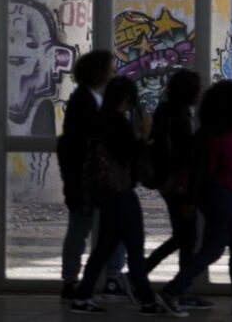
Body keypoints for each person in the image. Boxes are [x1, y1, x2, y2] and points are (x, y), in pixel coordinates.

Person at [158, 81, 232, 316]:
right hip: (223, 197)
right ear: (229, 104)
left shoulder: (211, 130)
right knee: (213, 250)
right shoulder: (226, 133)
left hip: (223, 196)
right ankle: (172, 291)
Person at [71, 77, 177, 316]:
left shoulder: (99, 120)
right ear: (127, 99)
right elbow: (132, 153)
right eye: (132, 100)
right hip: (121, 194)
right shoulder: (118, 122)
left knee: (104, 248)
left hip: (106, 194)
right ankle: (148, 301)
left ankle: (82, 296)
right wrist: (144, 134)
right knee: (135, 249)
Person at [56, 51, 129, 303]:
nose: (114, 73)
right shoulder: (87, 102)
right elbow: (88, 142)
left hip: (85, 181)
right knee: (96, 228)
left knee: (82, 230)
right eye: (111, 68)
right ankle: (108, 277)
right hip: (89, 181)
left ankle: (74, 280)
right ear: (99, 72)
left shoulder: (87, 99)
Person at [143, 70, 214, 311]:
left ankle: (158, 280)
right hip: (180, 184)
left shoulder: (165, 110)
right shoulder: (181, 115)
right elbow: (184, 154)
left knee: (183, 236)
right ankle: (175, 288)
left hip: (169, 183)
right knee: (187, 237)